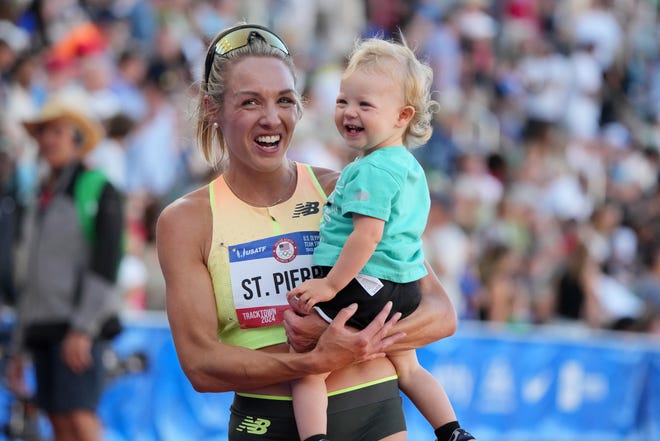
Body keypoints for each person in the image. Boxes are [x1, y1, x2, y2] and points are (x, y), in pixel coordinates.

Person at [156, 23, 457, 441]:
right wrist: (310, 362)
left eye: (284, 100)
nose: (271, 118)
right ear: (213, 108)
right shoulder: (186, 221)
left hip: (374, 412)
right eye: (250, 102)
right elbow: (201, 365)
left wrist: (347, 336)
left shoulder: (344, 188)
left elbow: (441, 314)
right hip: (265, 422)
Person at [285, 38, 476, 441]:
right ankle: (453, 430)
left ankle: (314, 437)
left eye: (364, 105)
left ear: (402, 116)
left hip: (360, 285)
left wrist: (330, 284)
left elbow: (367, 235)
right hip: (401, 289)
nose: (349, 113)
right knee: (409, 368)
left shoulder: (372, 170)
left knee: (309, 367)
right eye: (343, 101)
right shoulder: (409, 167)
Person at [5, 94, 124, 441]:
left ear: (77, 138)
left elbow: (106, 264)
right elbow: (29, 274)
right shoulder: (38, 196)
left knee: (79, 419)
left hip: (76, 329)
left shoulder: (97, 188)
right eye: (43, 132)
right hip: (43, 330)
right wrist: (20, 347)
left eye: (56, 131)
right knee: (58, 421)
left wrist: (82, 329)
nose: (47, 140)